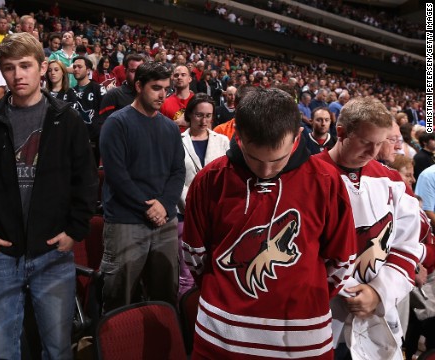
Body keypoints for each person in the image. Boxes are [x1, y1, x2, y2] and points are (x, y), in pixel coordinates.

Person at [182, 87, 358, 359]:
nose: (265, 170)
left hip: (303, 339)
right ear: (237, 135)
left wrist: (305, 291)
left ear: (298, 137)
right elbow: (194, 254)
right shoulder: (210, 178)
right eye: (254, 157)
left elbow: (342, 258)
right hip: (221, 337)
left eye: (277, 159)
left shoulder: (327, 181)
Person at [0, 32, 98, 360]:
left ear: (42, 68)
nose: (18, 74)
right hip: (0, 253)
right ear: (2, 72)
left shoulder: (67, 119)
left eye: (25, 65)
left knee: (57, 348)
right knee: (3, 349)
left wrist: (75, 232)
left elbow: (86, 181)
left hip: (52, 250)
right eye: (9, 68)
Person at [317, 97, 422, 359]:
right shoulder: (308, 175)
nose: (373, 152)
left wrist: (379, 291)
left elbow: (407, 245)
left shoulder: (394, 182)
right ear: (341, 133)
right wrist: (347, 288)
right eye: (366, 142)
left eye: (380, 143)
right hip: (323, 315)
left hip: (378, 315)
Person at [99, 61, 185, 312]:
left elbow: (177, 171)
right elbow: (117, 175)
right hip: (127, 221)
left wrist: (165, 205)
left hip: (164, 221)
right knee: (119, 298)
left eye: (166, 89)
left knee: (165, 297)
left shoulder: (170, 127)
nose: (162, 95)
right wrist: (149, 207)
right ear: (138, 85)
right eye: (156, 88)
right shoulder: (118, 123)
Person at [177, 93, 229, 298]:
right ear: (190, 114)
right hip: (185, 213)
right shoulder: (178, 140)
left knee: (212, 270)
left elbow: (227, 176)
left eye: (208, 116)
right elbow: (176, 177)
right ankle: (183, 316)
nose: (204, 120)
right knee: (186, 274)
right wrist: (194, 203)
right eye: (199, 115)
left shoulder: (223, 141)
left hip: (216, 215)